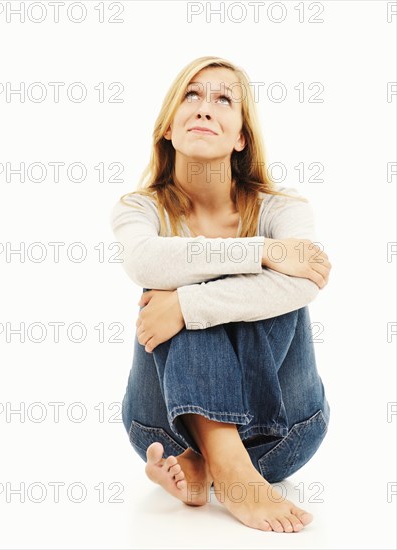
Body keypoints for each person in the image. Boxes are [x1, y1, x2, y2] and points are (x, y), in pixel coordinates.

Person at [110, 55, 332, 533]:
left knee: (195, 289)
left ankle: (210, 461)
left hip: (281, 433)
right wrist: (263, 252)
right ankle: (225, 465)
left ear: (240, 137)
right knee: (171, 271)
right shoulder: (139, 208)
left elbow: (305, 278)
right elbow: (145, 262)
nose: (205, 107)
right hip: (163, 430)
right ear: (169, 127)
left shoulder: (283, 209)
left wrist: (186, 307)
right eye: (192, 95)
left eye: (223, 99)